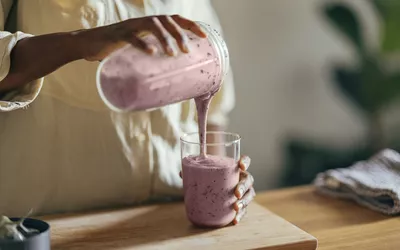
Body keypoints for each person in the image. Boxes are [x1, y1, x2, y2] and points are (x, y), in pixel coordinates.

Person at [0, 0, 255, 224]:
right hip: (46, 228)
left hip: (168, 222)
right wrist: (80, 42)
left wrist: (222, 192)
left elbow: (213, 111)